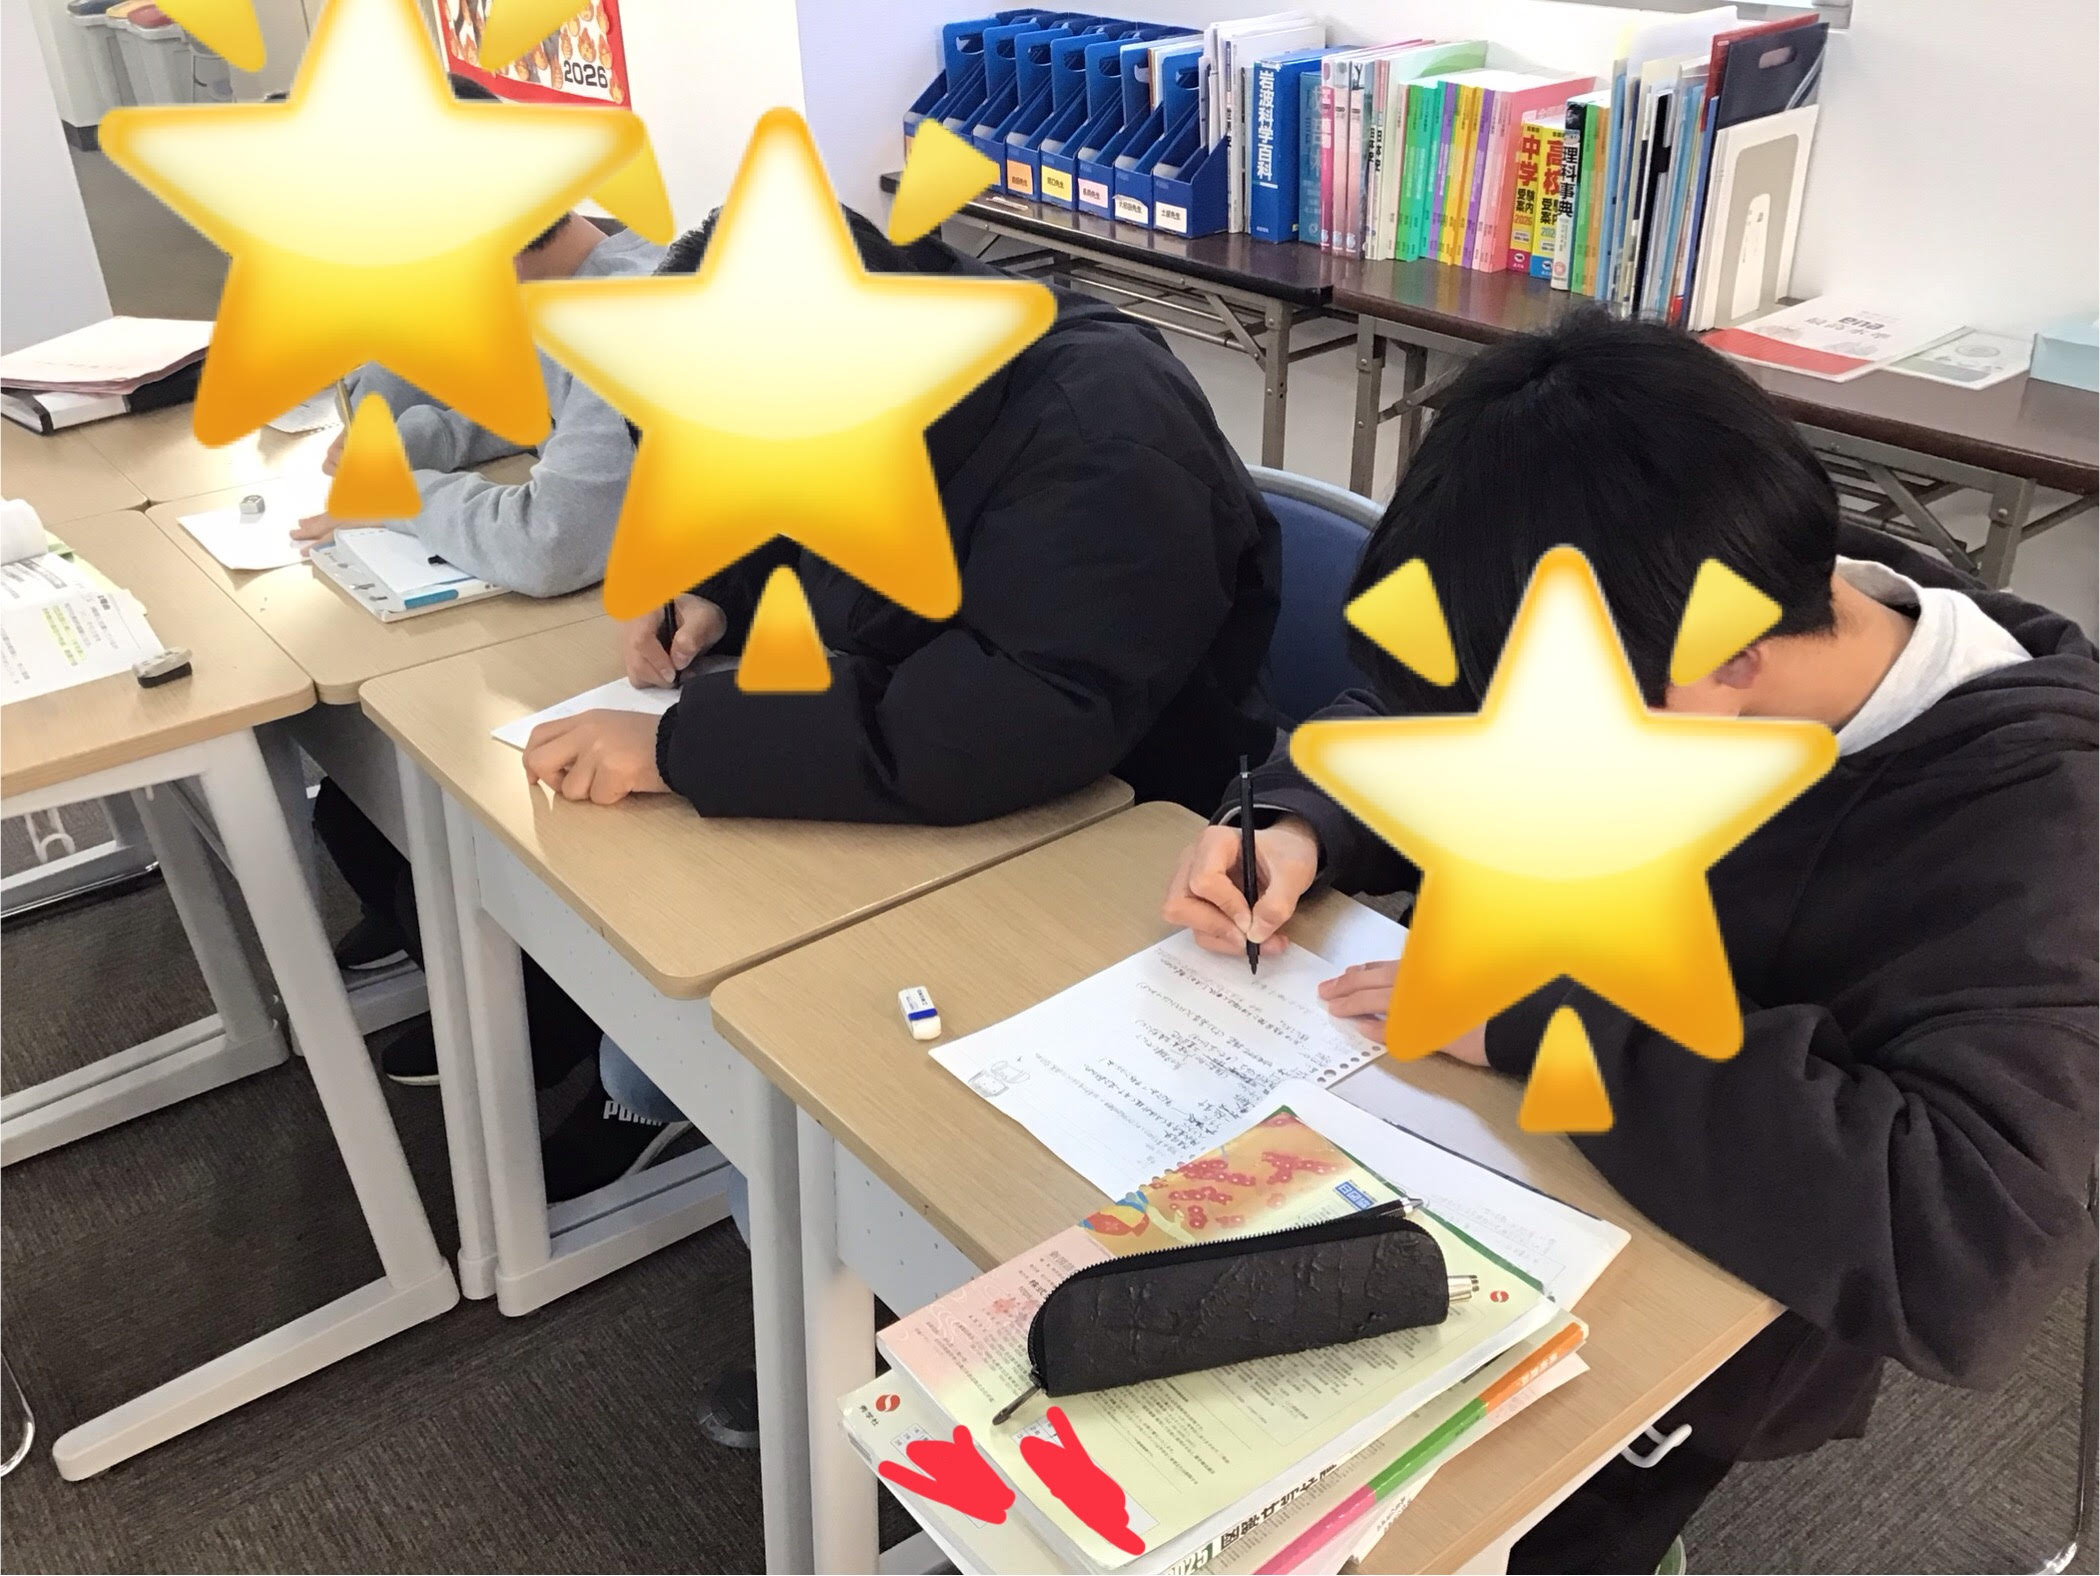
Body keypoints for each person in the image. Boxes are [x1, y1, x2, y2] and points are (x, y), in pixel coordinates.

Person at [1162, 312, 2098, 1573]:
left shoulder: (2039, 831)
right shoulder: (1699, 593)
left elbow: (1967, 1251)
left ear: (1732, 665)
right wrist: (1299, 822)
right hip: (1455, 1135)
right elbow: (1424, 700)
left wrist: (1553, 1017)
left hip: (1701, 1320)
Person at [308, 73, 663, 1086]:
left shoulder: (625, 307)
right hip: (648, 620)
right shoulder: (570, 282)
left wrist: (397, 489)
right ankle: (501, 988)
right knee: (355, 806)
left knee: (418, 801)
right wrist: (413, 440)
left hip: (701, 640)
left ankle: (569, 1043)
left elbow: (549, 544)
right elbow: (536, 411)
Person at [290, 72, 663, 597]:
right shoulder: (557, 286)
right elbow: (562, 418)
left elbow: (547, 546)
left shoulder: (625, 325)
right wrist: (430, 438)